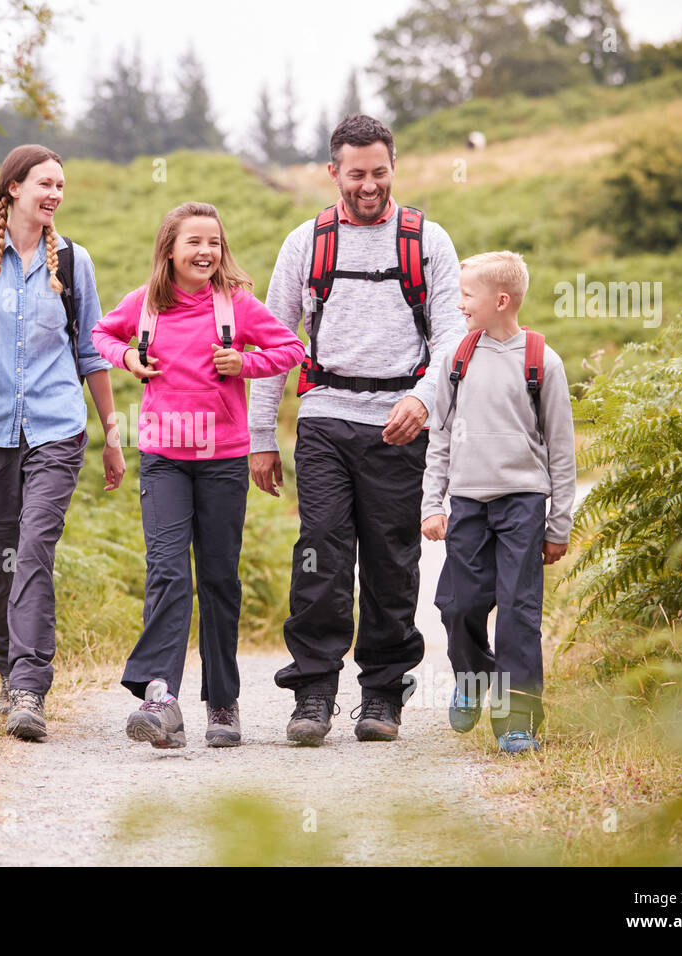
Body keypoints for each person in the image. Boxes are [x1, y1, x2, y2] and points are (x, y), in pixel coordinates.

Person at [248, 115, 467, 745]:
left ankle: (382, 697)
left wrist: (425, 401)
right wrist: (263, 436)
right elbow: (274, 341)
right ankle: (314, 694)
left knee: (393, 558)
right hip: (323, 418)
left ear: (392, 167)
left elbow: (451, 336)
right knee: (320, 550)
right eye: (355, 174)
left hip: (401, 423)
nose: (367, 185)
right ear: (333, 172)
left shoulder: (429, 241)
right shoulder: (305, 243)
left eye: (378, 172)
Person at [0, 144, 126, 742]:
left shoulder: (74, 262)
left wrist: (111, 433)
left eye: (61, 185)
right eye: (45, 183)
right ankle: (9, 672)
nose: (56, 194)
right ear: (12, 188)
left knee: (34, 548)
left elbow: (90, 352)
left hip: (57, 428)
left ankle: (31, 689)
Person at [92, 202, 305, 748]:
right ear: (170, 249)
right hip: (163, 456)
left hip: (223, 459)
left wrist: (245, 364)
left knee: (218, 578)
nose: (206, 251)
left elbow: (291, 347)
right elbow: (100, 336)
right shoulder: (145, 306)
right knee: (167, 572)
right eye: (194, 242)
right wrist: (129, 360)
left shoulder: (236, 306)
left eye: (214, 241)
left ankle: (223, 702)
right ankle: (160, 698)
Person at [420, 251, 576, 755]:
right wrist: (432, 502)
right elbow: (439, 436)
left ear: (500, 300)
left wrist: (558, 524)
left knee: (517, 611)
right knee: (457, 605)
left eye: (468, 294)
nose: (459, 303)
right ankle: (473, 677)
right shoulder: (456, 358)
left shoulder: (541, 361)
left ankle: (518, 721)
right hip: (468, 505)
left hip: (523, 506)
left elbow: (562, 450)